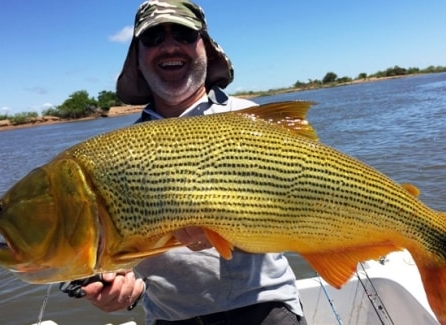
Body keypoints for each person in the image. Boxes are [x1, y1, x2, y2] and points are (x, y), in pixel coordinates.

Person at [66, 1, 307, 324]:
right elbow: (116, 251)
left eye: (183, 34)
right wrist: (111, 281)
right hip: (170, 317)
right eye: (153, 38)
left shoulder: (250, 120)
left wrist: (231, 227)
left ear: (205, 46)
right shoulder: (120, 152)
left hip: (264, 307)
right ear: (136, 57)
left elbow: (300, 208)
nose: (169, 46)